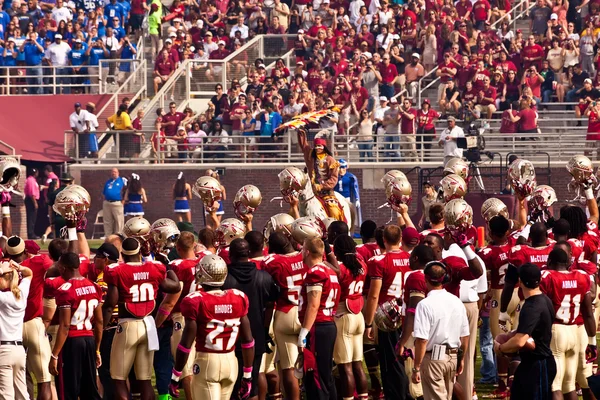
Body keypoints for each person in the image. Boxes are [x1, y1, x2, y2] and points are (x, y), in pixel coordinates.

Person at [102, 237, 180, 400]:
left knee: (118, 378)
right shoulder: (154, 268)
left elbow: (111, 303)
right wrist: (167, 264)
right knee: (145, 380)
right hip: (149, 325)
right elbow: (175, 286)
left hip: (128, 325)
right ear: (139, 252)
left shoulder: (117, 270)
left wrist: (101, 326)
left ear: (122, 253)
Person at [170, 254, 255, 400]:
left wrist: (176, 375)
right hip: (231, 362)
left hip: (207, 363)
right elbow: (248, 341)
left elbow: (185, 345)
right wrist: (247, 375)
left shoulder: (196, 301)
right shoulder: (238, 297)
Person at [222, 238, 279, 400]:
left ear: (230, 255)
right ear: (248, 254)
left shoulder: (224, 278)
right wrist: (264, 328)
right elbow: (269, 306)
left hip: (228, 337)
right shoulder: (265, 277)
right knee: (251, 384)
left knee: (230, 386)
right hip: (256, 335)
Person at [494, 263, 557, 400]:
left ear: (520, 281)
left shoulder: (531, 306)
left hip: (537, 364)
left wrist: (501, 348)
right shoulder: (545, 300)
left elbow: (520, 341)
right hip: (539, 362)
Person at [364, 225, 411, 400]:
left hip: (388, 316)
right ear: (400, 239)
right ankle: (406, 392)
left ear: (384, 240)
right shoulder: (409, 258)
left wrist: (369, 323)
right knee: (405, 357)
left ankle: (398, 395)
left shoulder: (378, 261)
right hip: (407, 311)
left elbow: (374, 294)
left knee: (390, 360)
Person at [412, 260, 470, 400]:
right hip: (452, 356)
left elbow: (422, 340)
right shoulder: (456, 300)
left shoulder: (424, 304)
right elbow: (465, 336)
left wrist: (416, 368)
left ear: (426, 279)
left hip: (434, 358)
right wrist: (461, 359)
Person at [49, 252, 103, 400]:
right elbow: (99, 322)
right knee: (89, 390)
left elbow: (65, 325)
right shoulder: (93, 286)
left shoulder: (65, 290)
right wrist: (97, 349)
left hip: (72, 342)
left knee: (68, 390)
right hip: (89, 340)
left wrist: (54, 355)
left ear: (64, 268)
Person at [261, 232, 306, 400]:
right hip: (305, 313)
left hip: (285, 313)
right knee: (310, 362)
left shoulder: (273, 262)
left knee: (288, 366)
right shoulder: (305, 256)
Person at [297, 237, 341, 400]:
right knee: (325, 374)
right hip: (328, 324)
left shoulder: (315, 272)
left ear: (307, 252)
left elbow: (313, 305)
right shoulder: (330, 270)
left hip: (318, 326)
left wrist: (303, 332)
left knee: (315, 374)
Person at [332, 235, 369, 400]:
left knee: (345, 367)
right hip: (358, 315)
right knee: (358, 365)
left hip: (343, 315)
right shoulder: (361, 264)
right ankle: (364, 396)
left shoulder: (340, 269)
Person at [0, 258, 33, 400]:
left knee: (6, 396)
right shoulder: (21, 294)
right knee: (22, 395)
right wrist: (19, 267)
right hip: (19, 350)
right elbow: (29, 274)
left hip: (4, 350)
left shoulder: (4, 297)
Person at [297, 130, 343, 221]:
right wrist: (300, 133)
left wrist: (322, 186)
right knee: (295, 207)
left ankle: (338, 228)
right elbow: (304, 146)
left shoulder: (331, 160)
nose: (317, 148)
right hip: (311, 192)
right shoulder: (311, 157)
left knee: (334, 211)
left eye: (320, 146)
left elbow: (334, 178)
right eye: (316, 146)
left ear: (324, 147)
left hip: (327, 193)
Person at [335, 159, 360, 234]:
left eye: (343, 168)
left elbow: (355, 189)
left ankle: (348, 230)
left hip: (346, 198)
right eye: (339, 168)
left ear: (346, 168)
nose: (341, 170)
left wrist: (357, 199)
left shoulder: (350, 177)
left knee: (347, 215)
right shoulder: (335, 176)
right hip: (337, 198)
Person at [102, 168, 126, 236]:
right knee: (107, 221)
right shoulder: (108, 181)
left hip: (117, 203)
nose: (113, 173)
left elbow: (125, 191)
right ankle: (108, 236)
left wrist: (123, 201)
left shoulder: (121, 181)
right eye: (112, 172)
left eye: (115, 172)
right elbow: (104, 192)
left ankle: (118, 236)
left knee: (118, 221)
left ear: (118, 173)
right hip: (107, 203)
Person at [24, 168, 40, 239]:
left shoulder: (32, 180)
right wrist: (35, 203)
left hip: (31, 199)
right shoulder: (31, 180)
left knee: (33, 217)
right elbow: (32, 193)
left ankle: (32, 232)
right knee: (31, 217)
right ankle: (31, 234)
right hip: (31, 200)